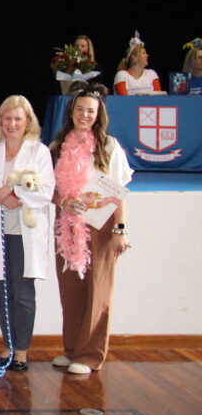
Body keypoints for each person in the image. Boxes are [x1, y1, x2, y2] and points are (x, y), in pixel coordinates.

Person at [49, 83, 132, 375]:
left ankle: (90, 354)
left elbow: (119, 190)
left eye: (91, 111)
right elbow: (50, 191)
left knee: (99, 290)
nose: (85, 115)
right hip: (68, 226)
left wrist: (120, 229)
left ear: (99, 115)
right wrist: (64, 202)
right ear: (71, 112)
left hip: (102, 223)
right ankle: (72, 350)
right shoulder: (57, 147)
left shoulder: (109, 146)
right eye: (80, 109)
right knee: (71, 292)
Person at [0, 96, 55, 372]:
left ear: (27, 122)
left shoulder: (39, 152)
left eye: (17, 119)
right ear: (0, 121)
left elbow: (45, 192)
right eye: (7, 118)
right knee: (1, 294)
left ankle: (21, 352)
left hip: (24, 233)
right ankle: (8, 344)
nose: (11, 124)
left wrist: (14, 193)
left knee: (22, 294)